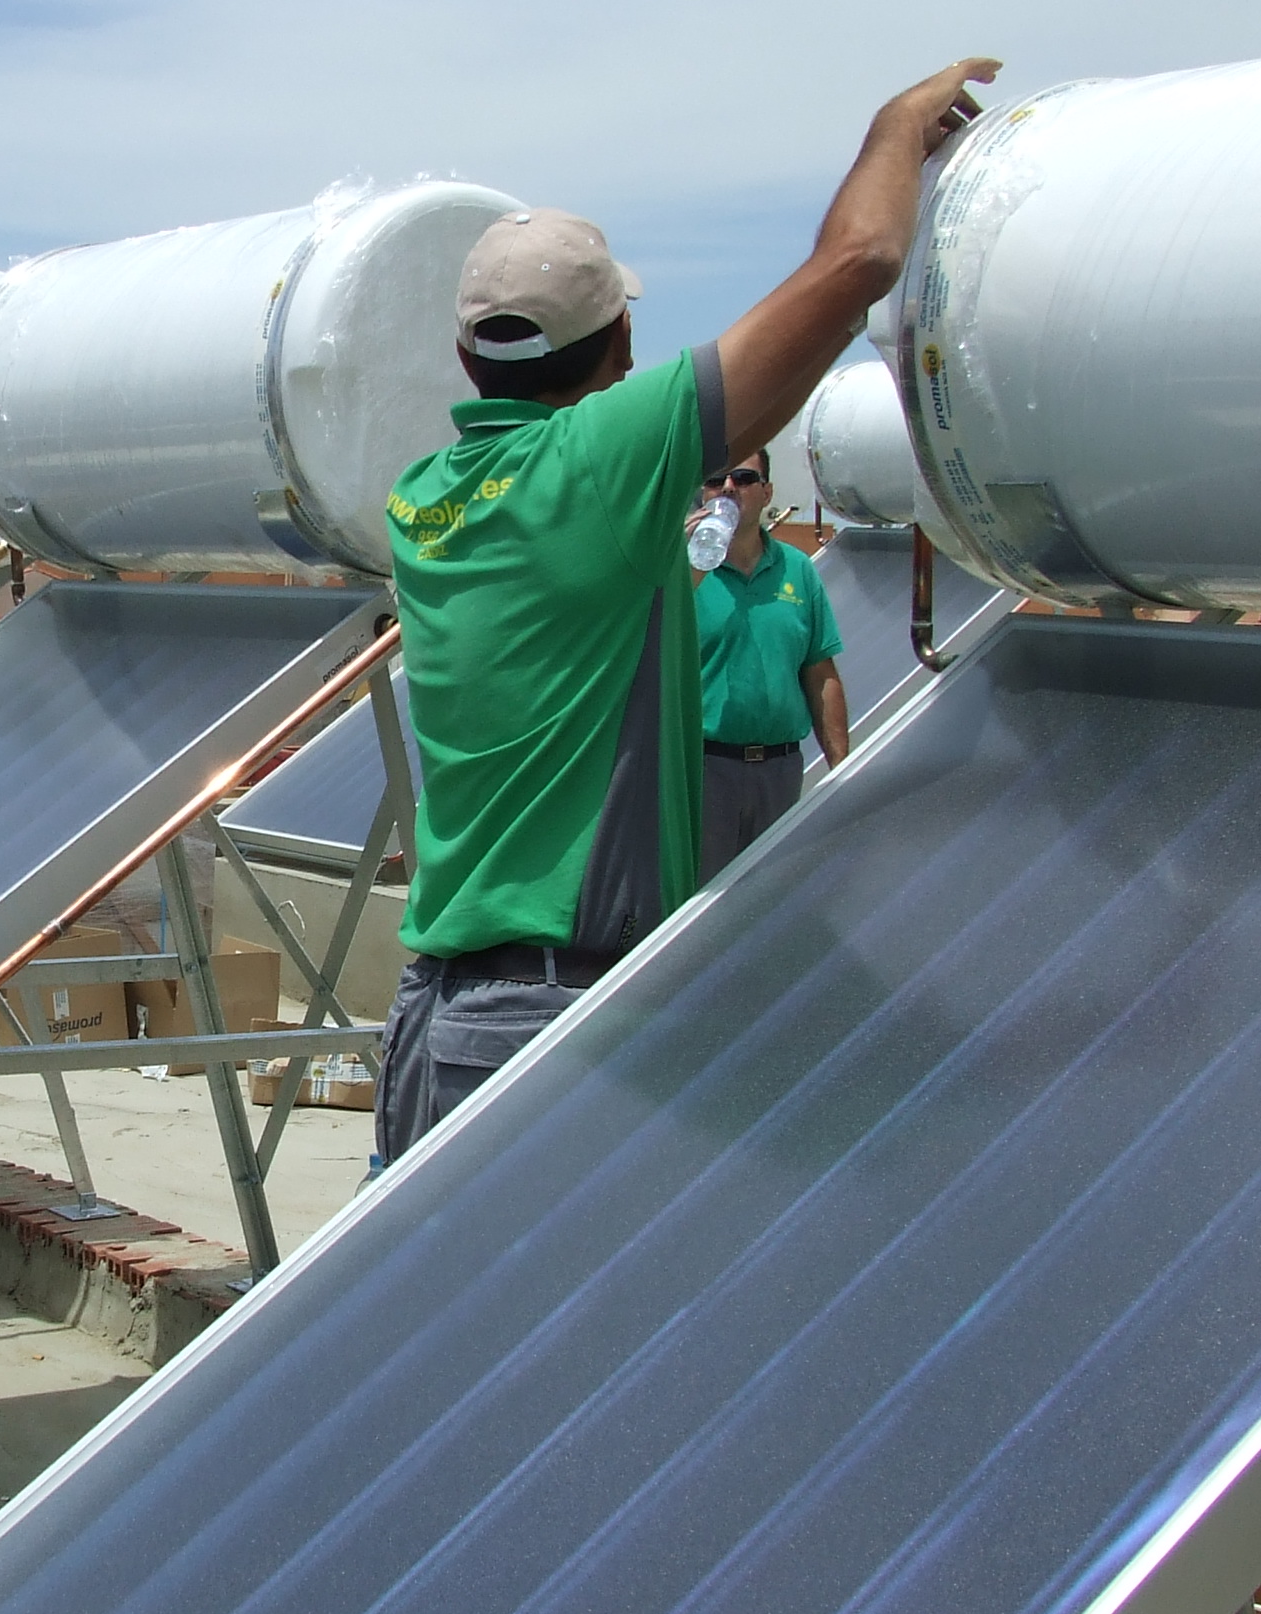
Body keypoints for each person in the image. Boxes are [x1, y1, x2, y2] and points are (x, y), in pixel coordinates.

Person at [374, 55, 998, 1164]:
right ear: (620, 348)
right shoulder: (601, 463)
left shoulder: (423, 498)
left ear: (467, 355)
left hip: (444, 1008)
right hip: (552, 1017)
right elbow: (857, 262)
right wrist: (893, 130)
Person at [694, 447, 847, 882]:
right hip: (705, 771)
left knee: (771, 896)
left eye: (743, 478)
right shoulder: (680, 570)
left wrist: (843, 769)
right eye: (715, 479)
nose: (727, 488)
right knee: (699, 910)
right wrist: (684, 567)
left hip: (779, 773)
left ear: (766, 492)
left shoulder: (797, 570)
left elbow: (820, 673)